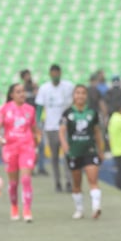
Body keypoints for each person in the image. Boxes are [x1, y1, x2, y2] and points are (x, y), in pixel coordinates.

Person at [0, 83, 40, 222]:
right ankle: (14, 207)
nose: (22, 94)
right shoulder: (4, 109)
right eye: (18, 92)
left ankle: (27, 210)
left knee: (26, 179)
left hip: (27, 147)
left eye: (23, 91)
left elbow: (35, 129)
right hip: (10, 148)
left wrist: (37, 141)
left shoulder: (30, 110)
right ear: (12, 94)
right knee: (13, 183)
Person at [59, 85, 105, 219]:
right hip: (74, 151)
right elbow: (62, 131)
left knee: (93, 179)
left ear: (86, 96)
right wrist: (64, 144)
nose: (80, 96)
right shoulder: (67, 113)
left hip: (90, 150)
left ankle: (96, 207)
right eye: (77, 93)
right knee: (77, 183)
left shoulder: (92, 112)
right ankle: (79, 209)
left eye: (83, 93)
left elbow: (97, 132)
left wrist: (100, 149)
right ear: (73, 95)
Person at [35, 64, 74, 192]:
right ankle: (57, 182)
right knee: (54, 156)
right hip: (50, 127)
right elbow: (40, 107)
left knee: (67, 155)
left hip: (65, 126)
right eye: (53, 73)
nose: (55, 75)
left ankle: (69, 181)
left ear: (60, 73)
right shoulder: (44, 88)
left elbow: (73, 105)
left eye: (57, 73)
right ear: (50, 74)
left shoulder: (68, 87)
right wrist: (37, 123)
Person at [20, 69, 48, 176]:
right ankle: (30, 167)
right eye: (26, 75)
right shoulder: (21, 90)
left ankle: (41, 167)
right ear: (23, 78)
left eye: (29, 75)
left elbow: (41, 103)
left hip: (38, 120)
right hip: (27, 121)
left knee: (41, 144)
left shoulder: (36, 88)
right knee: (29, 145)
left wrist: (36, 89)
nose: (28, 77)